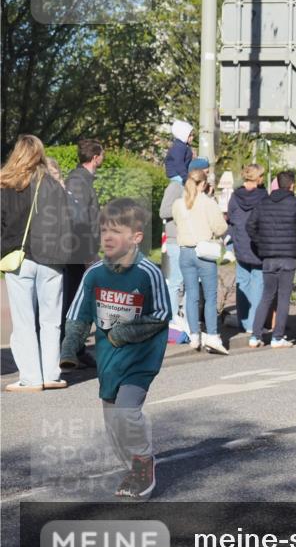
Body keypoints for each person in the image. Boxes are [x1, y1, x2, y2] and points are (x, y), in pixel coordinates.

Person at [61, 198, 170, 498]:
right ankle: (134, 466)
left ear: (136, 237)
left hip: (140, 358)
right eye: (104, 230)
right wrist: (69, 349)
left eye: (116, 231)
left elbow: (161, 316)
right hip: (108, 360)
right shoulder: (94, 274)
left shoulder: (148, 272)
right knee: (112, 423)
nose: (107, 237)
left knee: (126, 412)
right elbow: (77, 316)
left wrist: (125, 332)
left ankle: (143, 465)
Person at [1, 134, 73, 391]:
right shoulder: (54, 186)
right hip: (52, 259)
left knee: (23, 321)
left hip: (18, 257)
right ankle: (51, 375)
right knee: (51, 320)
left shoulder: (6, 184)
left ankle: (30, 377)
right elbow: (67, 224)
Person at [247, 170, 296, 348]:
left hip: (268, 256)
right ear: (292, 185)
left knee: (266, 295)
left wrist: (261, 243)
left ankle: (255, 335)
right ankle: (277, 337)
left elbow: (250, 226)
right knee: (284, 297)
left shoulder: (263, 202)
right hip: (288, 256)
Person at [172, 161, 228, 354]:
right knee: (210, 297)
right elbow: (221, 228)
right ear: (203, 184)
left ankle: (194, 335)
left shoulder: (178, 204)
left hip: (185, 253)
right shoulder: (208, 203)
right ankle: (212, 335)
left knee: (192, 295)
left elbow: (178, 223)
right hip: (203, 252)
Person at [62, 138, 103, 366]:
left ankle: (75, 349)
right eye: (102, 154)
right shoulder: (78, 181)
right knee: (78, 301)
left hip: (81, 251)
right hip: (79, 252)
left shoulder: (82, 180)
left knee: (79, 300)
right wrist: (88, 254)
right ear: (95, 157)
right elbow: (79, 221)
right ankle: (71, 350)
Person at [226, 164, 266, 333]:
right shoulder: (264, 196)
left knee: (243, 282)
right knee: (258, 283)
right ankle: (254, 324)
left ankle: (244, 322)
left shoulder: (235, 196)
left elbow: (231, 218)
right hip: (258, 244)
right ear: (258, 178)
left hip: (240, 244)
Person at [158, 162, 185, 329]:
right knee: (175, 280)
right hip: (175, 237)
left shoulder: (184, 184)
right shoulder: (175, 186)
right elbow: (163, 211)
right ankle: (172, 319)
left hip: (185, 237)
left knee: (184, 281)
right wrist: (183, 209)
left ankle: (180, 317)